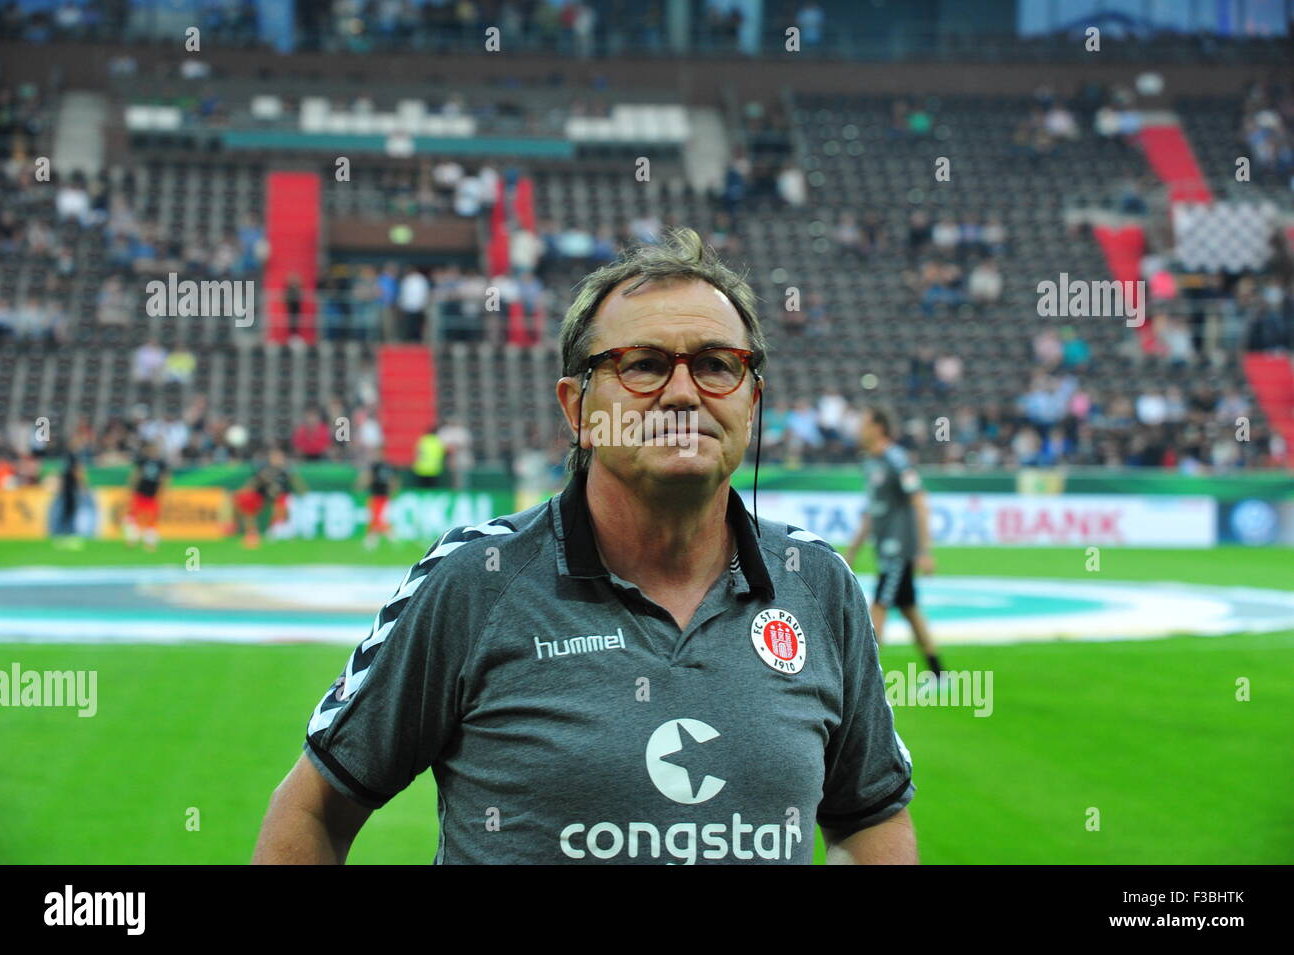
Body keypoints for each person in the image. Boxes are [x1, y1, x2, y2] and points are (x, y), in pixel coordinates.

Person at [253, 227, 915, 865]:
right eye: (644, 365)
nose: (683, 393)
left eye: (718, 364)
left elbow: (870, 817)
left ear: (752, 401)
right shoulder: (475, 580)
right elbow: (314, 810)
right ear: (578, 409)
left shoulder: (820, 584)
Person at [844, 407, 944, 680]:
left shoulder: (896, 460)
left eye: (863, 424)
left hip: (898, 550)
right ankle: (939, 674)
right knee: (909, 610)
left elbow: (919, 501)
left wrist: (924, 550)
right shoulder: (870, 462)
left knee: (878, 607)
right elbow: (872, 511)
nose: (858, 430)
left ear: (878, 428)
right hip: (884, 547)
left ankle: (863, 683)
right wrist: (852, 551)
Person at [232, 446, 305, 548]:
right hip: (264, 498)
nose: (276, 459)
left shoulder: (287, 472)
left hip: (281, 499)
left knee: (283, 502)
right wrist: (241, 493)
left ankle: (282, 529)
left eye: (278, 457)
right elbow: (252, 485)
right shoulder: (264, 471)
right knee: (246, 500)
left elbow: (301, 488)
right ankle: (252, 533)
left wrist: (294, 477)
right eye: (274, 457)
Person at [124, 441, 167, 551]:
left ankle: (149, 542)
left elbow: (164, 479)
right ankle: (133, 539)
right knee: (133, 516)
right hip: (140, 493)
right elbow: (136, 475)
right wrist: (131, 488)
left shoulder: (161, 463)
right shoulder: (143, 461)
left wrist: (161, 493)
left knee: (151, 519)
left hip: (152, 495)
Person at [357, 451, 398, 550]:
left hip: (378, 496)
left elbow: (369, 478)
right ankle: (374, 539)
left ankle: (389, 537)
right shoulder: (387, 466)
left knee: (377, 519)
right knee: (377, 518)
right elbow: (393, 480)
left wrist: (361, 486)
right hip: (382, 496)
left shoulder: (375, 466)